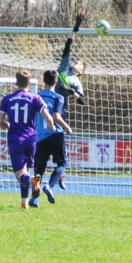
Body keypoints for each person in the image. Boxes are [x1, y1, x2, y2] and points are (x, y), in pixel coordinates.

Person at [0, 71, 56, 209]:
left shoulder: (7, 99)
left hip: (15, 139)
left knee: (20, 176)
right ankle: (24, 203)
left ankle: (34, 181)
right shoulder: (35, 98)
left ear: (16, 83)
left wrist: (8, 125)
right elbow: (47, 116)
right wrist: (52, 127)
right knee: (26, 171)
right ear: (29, 84)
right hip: (31, 139)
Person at [29, 69, 73, 208]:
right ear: (56, 81)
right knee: (62, 164)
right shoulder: (58, 97)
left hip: (40, 137)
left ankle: (34, 199)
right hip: (55, 135)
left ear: (44, 80)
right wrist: (67, 127)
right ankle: (49, 186)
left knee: (39, 170)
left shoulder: (36, 97)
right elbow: (56, 117)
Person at [53, 12, 87, 190]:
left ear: (82, 71)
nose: (77, 62)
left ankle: (60, 174)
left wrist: (73, 93)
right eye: (77, 61)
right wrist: (77, 24)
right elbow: (68, 44)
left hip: (60, 111)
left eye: (81, 63)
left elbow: (83, 101)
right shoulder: (65, 65)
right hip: (46, 105)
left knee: (59, 144)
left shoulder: (77, 82)